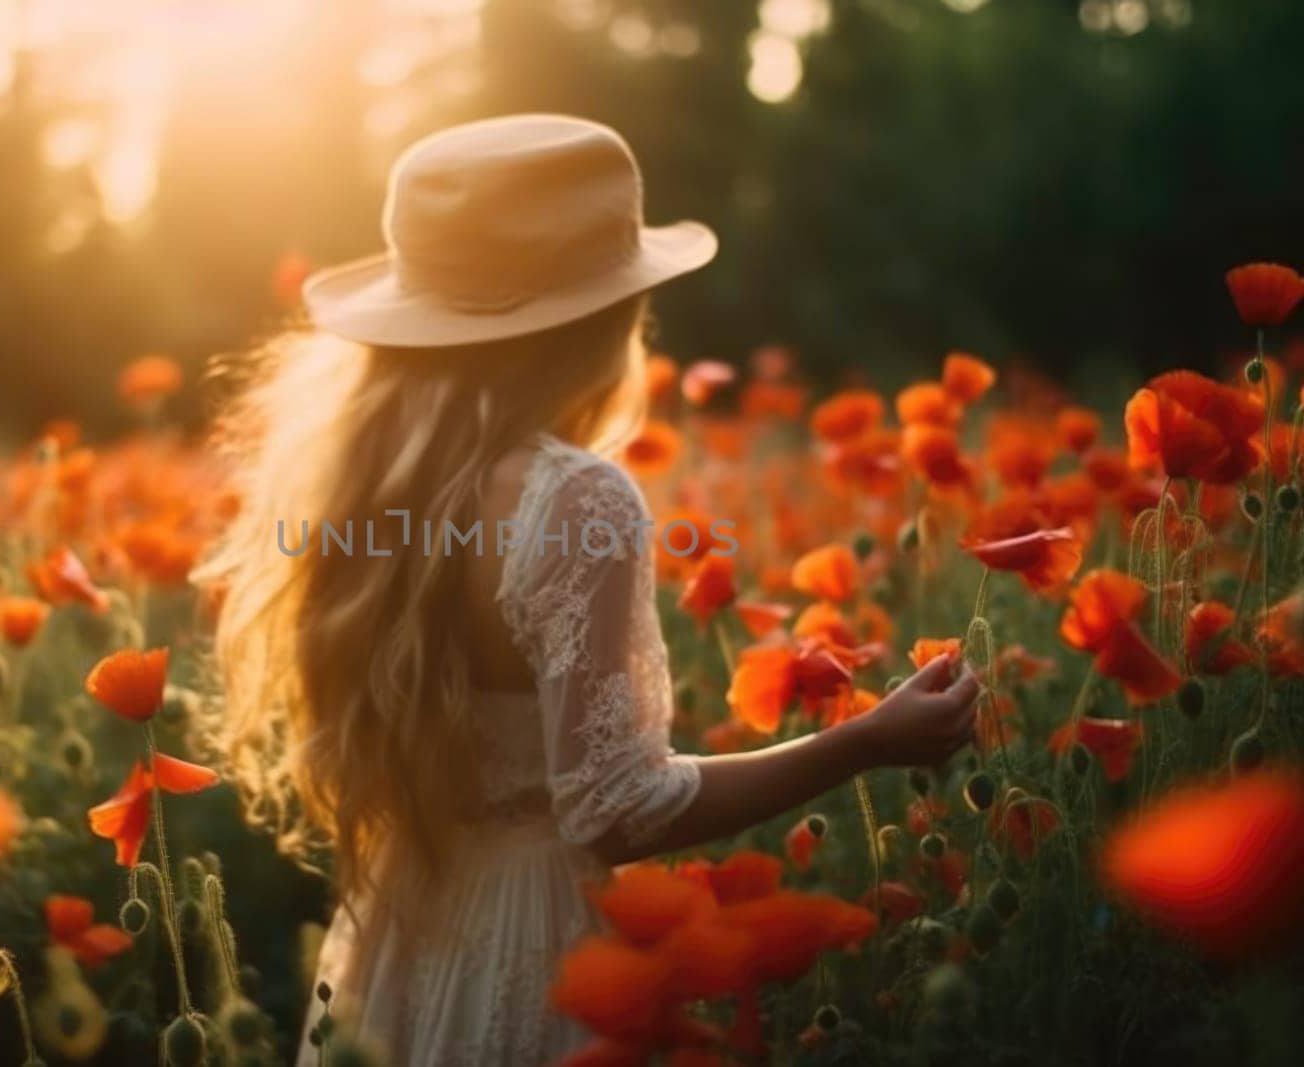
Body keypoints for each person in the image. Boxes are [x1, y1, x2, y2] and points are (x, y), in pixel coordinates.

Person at [194, 114, 979, 1066]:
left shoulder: (370, 487)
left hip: (406, 926)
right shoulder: (575, 500)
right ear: (604, 321)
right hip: (540, 946)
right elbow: (614, 808)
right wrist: (863, 741)